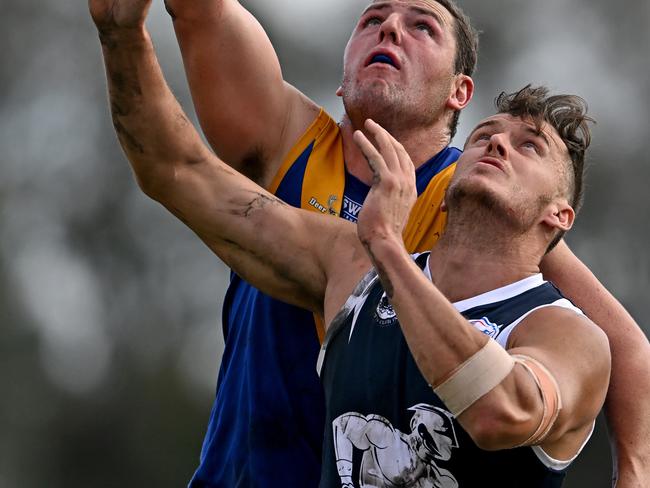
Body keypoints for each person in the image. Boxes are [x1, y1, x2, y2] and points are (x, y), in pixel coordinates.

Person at [89, 0, 650, 486]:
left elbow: (616, 346)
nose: (389, 30)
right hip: (240, 471)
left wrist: (635, 471)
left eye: (422, 27)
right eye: (373, 19)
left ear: (461, 92)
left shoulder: (476, 202)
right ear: (343, 75)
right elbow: (176, 163)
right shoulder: (301, 157)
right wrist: (119, 32)